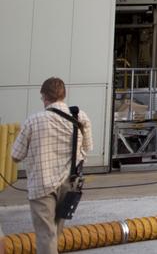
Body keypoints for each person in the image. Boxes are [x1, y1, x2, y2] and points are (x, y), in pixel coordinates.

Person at [10, 77, 93, 254]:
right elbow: (87, 148)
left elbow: (16, 156)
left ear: (44, 97)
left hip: (42, 185)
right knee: (55, 232)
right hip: (69, 184)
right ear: (64, 95)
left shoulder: (34, 121)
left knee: (46, 235)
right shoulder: (79, 116)